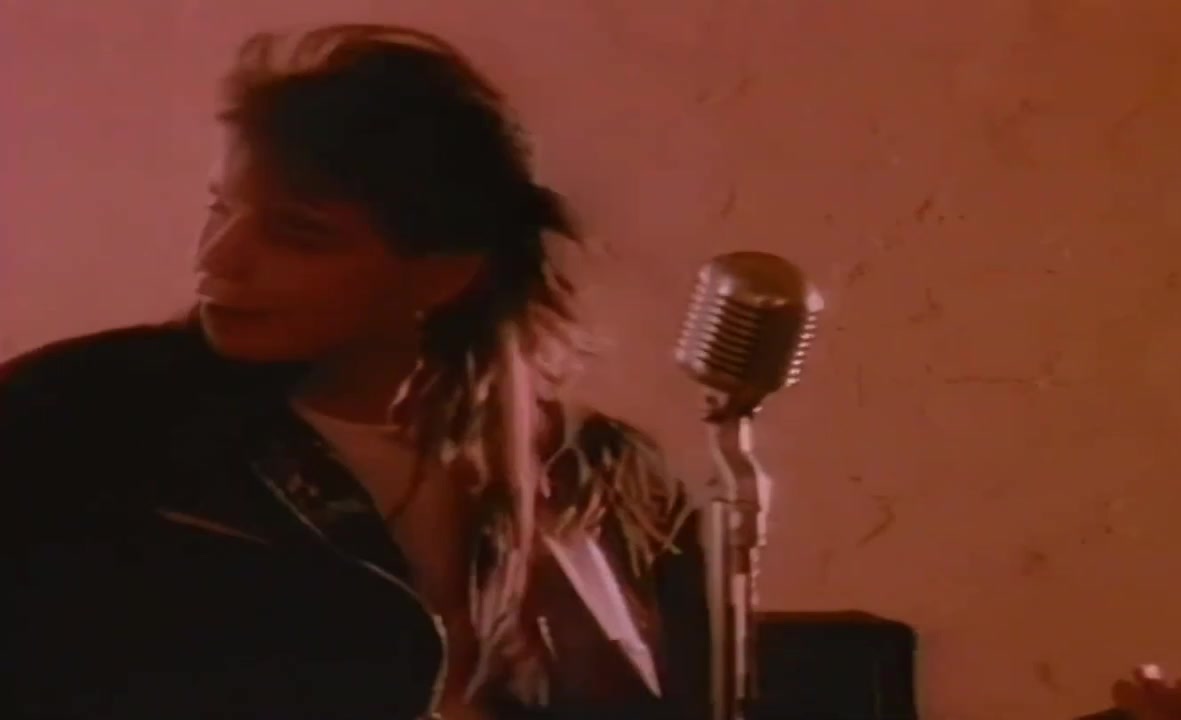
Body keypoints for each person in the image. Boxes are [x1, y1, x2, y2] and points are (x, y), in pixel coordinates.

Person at [6, 24, 707, 720]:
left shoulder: (604, 480)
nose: (217, 258)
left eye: (298, 234)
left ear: (443, 274)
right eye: (220, 208)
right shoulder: (73, 424)